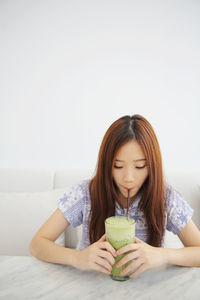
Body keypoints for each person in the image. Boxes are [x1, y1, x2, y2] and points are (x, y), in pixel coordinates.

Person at [29, 114, 200, 278]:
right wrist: (77, 258)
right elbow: (37, 244)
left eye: (140, 166)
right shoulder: (85, 194)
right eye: (118, 166)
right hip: (91, 287)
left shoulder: (165, 199)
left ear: (152, 166)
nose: (128, 178)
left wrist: (163, 256)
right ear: (106, 165)